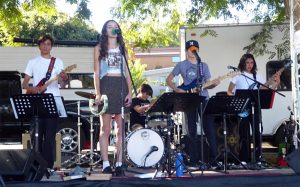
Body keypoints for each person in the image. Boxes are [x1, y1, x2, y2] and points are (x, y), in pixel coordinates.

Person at [166, 40, 220, 169]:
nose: (193, 51)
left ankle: (214, 160)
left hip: (204, 99)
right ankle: (193, 160)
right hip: (189, 100)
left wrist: (214, 83)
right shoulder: (181, 65)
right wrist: (177, 89)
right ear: (186, 51)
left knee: (209, 130)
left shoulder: (203, 66)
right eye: (190, 49)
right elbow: (168, 79)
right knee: (191, 130)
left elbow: (208, 84)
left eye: (195, 48)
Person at [22, 34, 68, 170]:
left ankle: (47, 167)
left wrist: (64, 78)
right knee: (36, 136)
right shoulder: (32, 62)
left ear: (51, 46)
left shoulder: (58, 62)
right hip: (37, 102)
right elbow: (24, 85)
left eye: (48, 44)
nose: (45, 46)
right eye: (43, 44)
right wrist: (33, 88)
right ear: (39, 46)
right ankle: (34, 165)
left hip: (53, 102)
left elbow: (63, 85)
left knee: (49, 138)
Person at [93, 20, 132, 176]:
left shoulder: (122, 48)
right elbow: (96, 73)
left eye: (115, 27)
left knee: (121, 130)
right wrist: (98, 93)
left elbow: (127, 72)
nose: (113, 29)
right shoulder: (98, 48)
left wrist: (130, 92)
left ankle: (120, 162)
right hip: (106, 84)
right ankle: (105, 163)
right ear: (104, 31)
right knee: (105, 128)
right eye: (109, 27)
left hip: (121, 85)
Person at [227, 53, 281, 163]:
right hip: (243, 109)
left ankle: (257, 158)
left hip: (255, 108)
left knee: (257, 133)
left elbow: (262, 90)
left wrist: (275, 83)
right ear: (243, 63)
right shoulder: (238, 75)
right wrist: (235, 101)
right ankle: (244, 159)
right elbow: (229, 91)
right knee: (244, 134)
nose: (249, 65)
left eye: (251, 62)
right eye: (247, 62)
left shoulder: (258, 76)